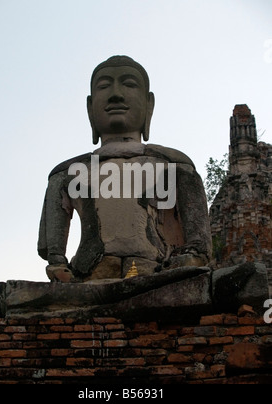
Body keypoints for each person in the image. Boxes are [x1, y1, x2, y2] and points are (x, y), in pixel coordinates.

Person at [38, 56, 212, 282]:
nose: (116, 95)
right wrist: (58, 265)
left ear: (149, 104)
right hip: (88, 275)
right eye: (104, 86)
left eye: (129, 84)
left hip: (157, 274)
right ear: (90, 108)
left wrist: (191, 257)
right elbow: (53, 257)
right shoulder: (66, 173)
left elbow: (199, 247)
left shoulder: (175, 165)